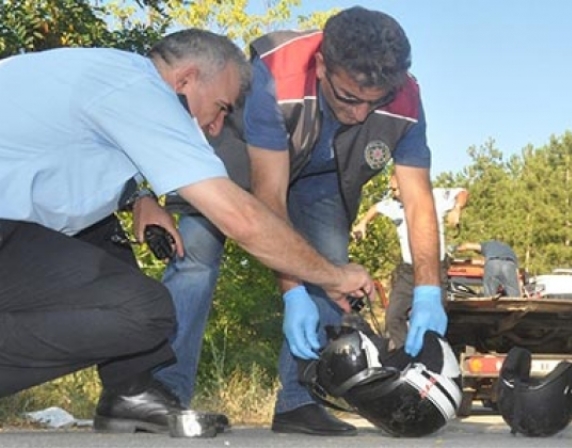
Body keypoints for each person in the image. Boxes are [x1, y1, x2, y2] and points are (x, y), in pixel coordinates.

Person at [0, 28, 372, 435]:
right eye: (220, 107)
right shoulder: (140, 89)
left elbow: (64, 160)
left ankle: (130, 393)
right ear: (186, 79)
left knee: (108, 245)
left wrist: (138, 197)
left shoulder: (107, 74)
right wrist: (333, 276)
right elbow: (240, 217)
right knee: (147, 312)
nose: (216, 128)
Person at [153, 7, 448, 437]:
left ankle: (299, 402)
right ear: (323, 65)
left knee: (332, 268)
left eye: (376, 101)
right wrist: (293, 293)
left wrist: (428, 289)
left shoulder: (405, 98)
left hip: (321, 176)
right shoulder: (278, 73)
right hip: (239, 164)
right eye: (349, 97)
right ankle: (161, 395)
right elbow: (269, 194)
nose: (363, 115)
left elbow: (418, 200)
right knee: (195, 255)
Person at [351, 173, 468, 350]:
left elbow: (462, 192)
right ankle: (404, 354)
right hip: (408, 272)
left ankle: (431, 356)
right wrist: (363, 223)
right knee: (393, 317)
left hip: (433, 269)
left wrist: (456, 209)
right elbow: (376, 208)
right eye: (391, 189)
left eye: (395, 189)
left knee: (431, 319)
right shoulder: (394, 206)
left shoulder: (434, 197)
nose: (393, 193)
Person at [455, 240, 521, 297]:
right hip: (509, 264)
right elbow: (517, 274)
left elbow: (468, 245)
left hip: (492, 263)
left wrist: (456, 249)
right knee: (514, 296)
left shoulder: (486, 245)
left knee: (489, 296)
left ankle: (489, 309)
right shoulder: (509, 249)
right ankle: (517, 306)